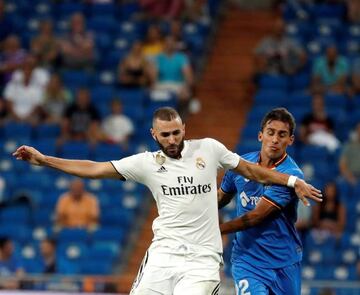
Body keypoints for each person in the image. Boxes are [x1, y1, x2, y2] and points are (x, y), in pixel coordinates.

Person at [13, 107, 321, 295]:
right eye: (165, 135)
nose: (172, 140)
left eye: (176, 132)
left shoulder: (209, 149)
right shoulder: (146, 163)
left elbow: (253, 172)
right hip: (164, 255)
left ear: (185, 129)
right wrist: (45, 160)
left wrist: (294, 181)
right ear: (154, 134)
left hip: (202, 260)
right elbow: (95, 168)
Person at [218, 108, 307, 295]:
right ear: (261, 136)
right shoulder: (240, 166)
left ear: (290, 140)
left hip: (284, 262)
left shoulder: (292, 174)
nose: (275, 140)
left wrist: (216, 230)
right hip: (247, 261)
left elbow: (255, 217)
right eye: (270, 133)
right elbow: (219, 199)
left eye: (282, 135)